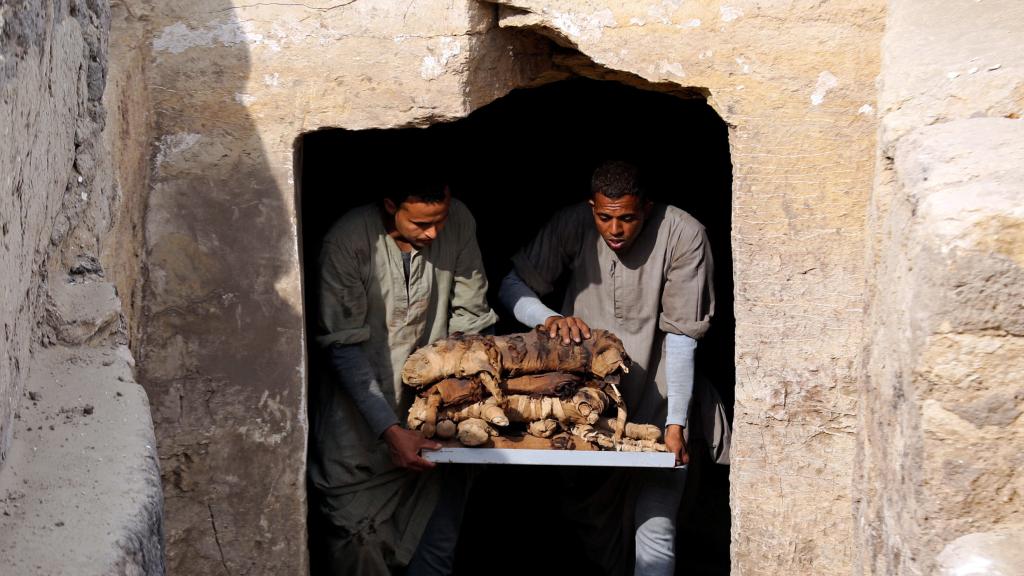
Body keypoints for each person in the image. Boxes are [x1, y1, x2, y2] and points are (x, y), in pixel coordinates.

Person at [499, 160, 714, 576]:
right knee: (591, 532)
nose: (615, 229)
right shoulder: (572, 224)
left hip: (660, 404)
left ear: (646, 208)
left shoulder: (684, 233)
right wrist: (546, 318)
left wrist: (676, 423)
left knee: (657, 530)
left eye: (627, 218)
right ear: (591, 207)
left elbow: (683, 336)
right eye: (605, 217)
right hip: (583, 410)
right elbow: (511, 285)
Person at [308, 175, 498, 576]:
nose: (434, 232)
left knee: (434, 557)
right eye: (421, 224)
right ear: (391, 205)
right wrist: (391, 431)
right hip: (358, 443)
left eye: (440, 220)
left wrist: (452, 404)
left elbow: (471, 318)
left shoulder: (458, 221)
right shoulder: (347, 242)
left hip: (437, 435)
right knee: (360, 548)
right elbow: (343, 348)